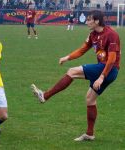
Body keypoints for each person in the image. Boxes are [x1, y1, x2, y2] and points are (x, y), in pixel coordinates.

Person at [31, 10, 120, 141]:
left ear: (97, 21)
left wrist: (101, 77)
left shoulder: (111, 35)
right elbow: (82, 49)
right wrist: (67, 57)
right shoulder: (93, 35)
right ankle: (90, 134)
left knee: (72, 72)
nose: (87, 22)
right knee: (90, 99)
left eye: (89, 19)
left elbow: (112, 59)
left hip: (109, 69)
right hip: (104, 69)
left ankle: (45, 96)